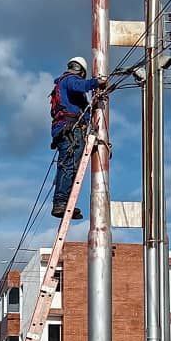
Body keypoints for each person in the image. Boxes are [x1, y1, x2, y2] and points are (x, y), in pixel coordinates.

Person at [50, 56, 106, 219]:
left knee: (68, 165)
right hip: (71, 130)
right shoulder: (70, 80)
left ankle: (64, 202)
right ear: (81, 71)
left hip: (64, 130)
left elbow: (82, 110)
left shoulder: (61, 85)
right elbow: (80, 86)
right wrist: (97, 82)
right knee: (69, 166)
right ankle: (61, 202)